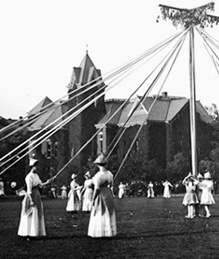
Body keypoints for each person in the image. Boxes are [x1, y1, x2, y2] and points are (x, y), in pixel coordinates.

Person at [17, 158, 51, 239]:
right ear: (32, 167)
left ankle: (34, 233)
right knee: (31, 213)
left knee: (37, 213)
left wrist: (48, 182)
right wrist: (31, 201)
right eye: (35, 166)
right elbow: (29, 190)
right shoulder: (28, 177)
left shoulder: (36, 175)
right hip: (31, 196)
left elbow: (40, 185)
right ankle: (28, 233)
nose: (37, 167)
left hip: (37, 195)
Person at [88, 154, 117, 238]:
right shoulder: (110, 174)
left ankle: (101, 232)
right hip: (108, 193)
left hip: (101, 194)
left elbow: (97, 189)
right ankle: (108, 231)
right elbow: (111, 184)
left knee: (100, 211)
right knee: (108, 210)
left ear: (97, 165)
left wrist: (93, 199)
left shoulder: (98, 176)